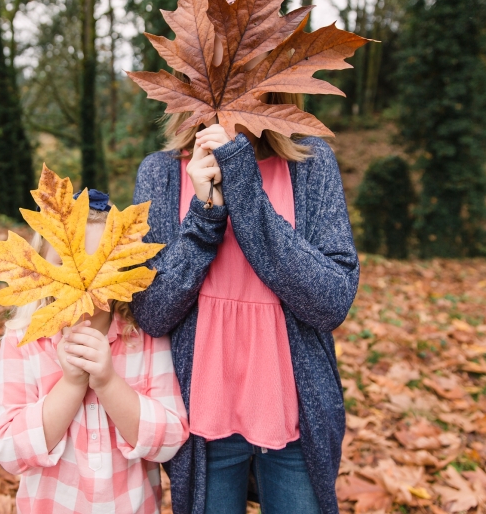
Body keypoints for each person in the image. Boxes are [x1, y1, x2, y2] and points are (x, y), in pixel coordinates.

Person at [130, 82, 359, 512]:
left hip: (295, 418)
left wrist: (244, 186)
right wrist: (205, 216)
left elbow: (331, 301)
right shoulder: (160, 173)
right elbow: (152, 313)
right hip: (200, 420)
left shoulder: (310, 162)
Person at [0, 189, 190, 514]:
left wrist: (109, 383)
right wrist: (70, 385)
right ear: (39, 272)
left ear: (123, 272)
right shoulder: (24, 340)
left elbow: (170, 438)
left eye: (101, 269)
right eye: (62, 265)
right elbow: (8, 449)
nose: (85, 283)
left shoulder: (143, 335)